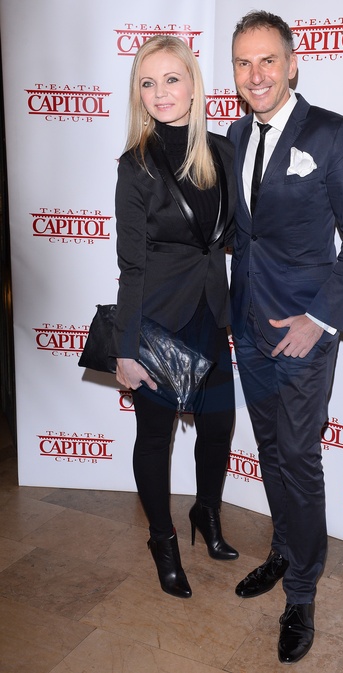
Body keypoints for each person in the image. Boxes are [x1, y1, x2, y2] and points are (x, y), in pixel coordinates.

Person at [228, 11, 343, 663]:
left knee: (298, 454)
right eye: (243, 62)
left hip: (302, 333)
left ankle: (302, 592)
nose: (256, 74)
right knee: (270, 448)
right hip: (248, 325)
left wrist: (319, 320)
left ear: (292, 64)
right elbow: (244, 234)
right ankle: (284, 549)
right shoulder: (235, 134)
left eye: (268, 60)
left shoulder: (332, 133)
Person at [110, 35, 238, 600]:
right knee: (154, 436)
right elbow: (131, 265)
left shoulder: (222, 152)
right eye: (148, 82)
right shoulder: (136, 165)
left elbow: (234, 235)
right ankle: (162, 540)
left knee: (218, 427)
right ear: (138, 94)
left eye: (171, 79)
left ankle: (205, 512)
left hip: (211, 312)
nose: (160, 93)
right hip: (157, 321)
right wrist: (125, 347)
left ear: (192, 85)